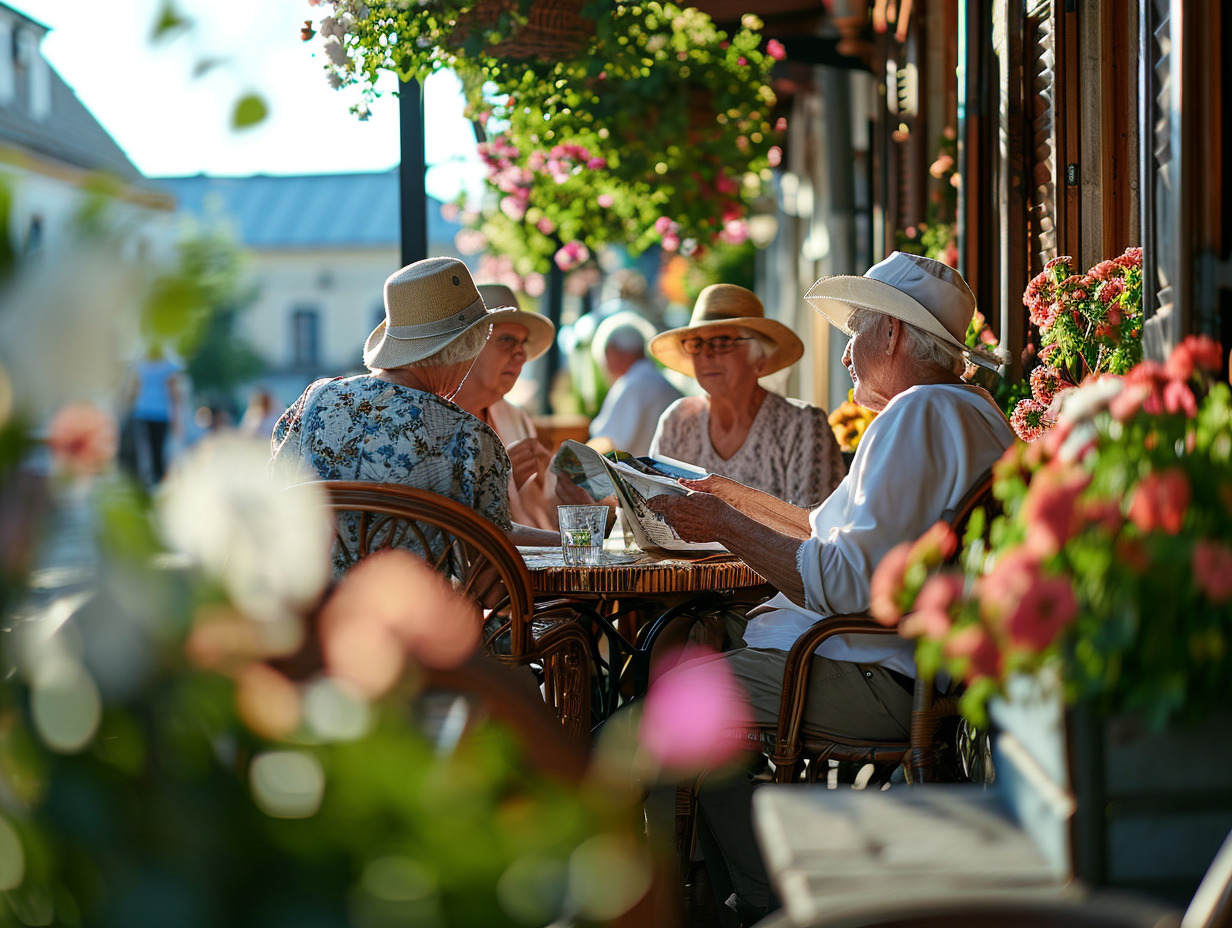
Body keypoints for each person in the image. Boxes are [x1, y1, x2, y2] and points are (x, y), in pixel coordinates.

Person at [645, 252, 1016, 924]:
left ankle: (733, 901)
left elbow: (844, 584)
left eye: (856, 334)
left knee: (649, 725)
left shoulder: (918, 414)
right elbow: (831, 536)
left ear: (896, 335)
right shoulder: (962, 410)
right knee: (677, 644)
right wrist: (731, 498)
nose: (847, 357)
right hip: (896, 666)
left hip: (866, 670)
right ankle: (750, 891)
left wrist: (722, 522)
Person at [270, 257, 559, 559]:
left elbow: (277, 491)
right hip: (415, 605)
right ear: (469, 345)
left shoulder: (317, 398)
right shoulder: (471, 438)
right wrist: (574, 542)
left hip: (310, 601)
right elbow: (488, 574)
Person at [648, 283, 846, 507]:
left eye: (722, 341)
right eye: (697, 343)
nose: (707, 354)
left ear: (760, 358)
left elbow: (812, 530)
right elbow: (651, 510)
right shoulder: (677, 420)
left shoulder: (803, 426)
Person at [452, 284, 565, 530]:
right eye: (506, 340)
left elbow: (538, 514)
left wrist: (564, 482)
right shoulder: (434, 418)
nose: (521, 354)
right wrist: (500, 479)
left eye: (523, 343)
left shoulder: (515, 418)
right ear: (468, 346)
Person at [587, 311, 682, 457]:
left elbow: (608, 441)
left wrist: (567, 462)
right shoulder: (664, 384)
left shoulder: (632, 384)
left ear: (612, 351)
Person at [124, 344, 183, 486]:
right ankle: (157, 479)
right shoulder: (168, 367)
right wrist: (176, 417)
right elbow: (174, 394)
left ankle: (148, 479)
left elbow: (134, 389)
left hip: (144, 411)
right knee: (157, 448)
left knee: (145, 448)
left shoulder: (141, 366)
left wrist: (129, 408)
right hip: (159, 413)